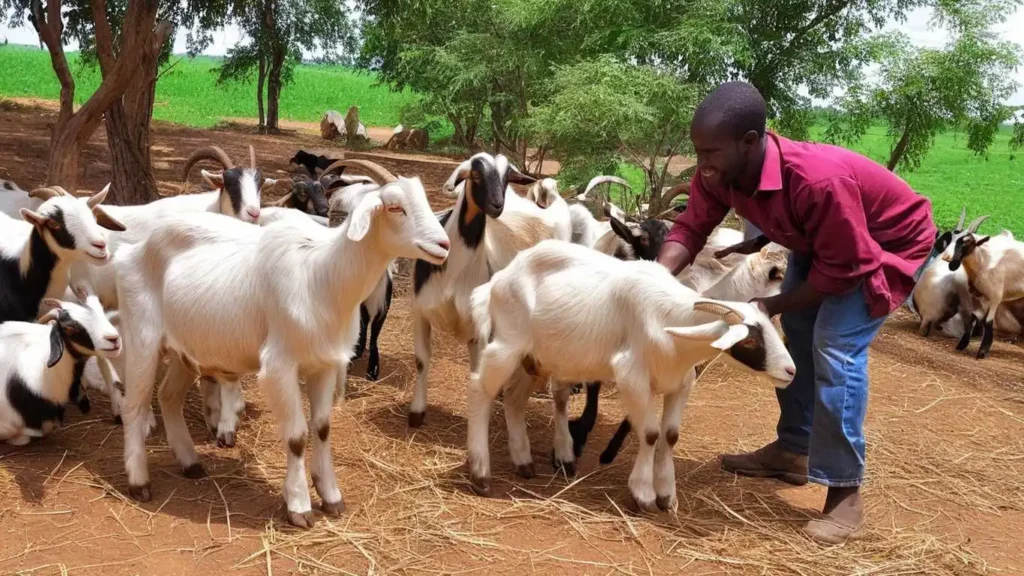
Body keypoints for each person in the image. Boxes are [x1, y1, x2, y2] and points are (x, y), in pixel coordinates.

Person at [658, 81, 936, 544]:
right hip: (823, 241)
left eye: (711, 153)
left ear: (750, 142)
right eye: (698, 152)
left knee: (835, 348)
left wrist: (770, 304)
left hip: (881, 245)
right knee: (801, 330)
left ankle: (845, 494)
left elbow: (845, 269)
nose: (702, 165)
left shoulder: (815, 180)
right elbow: (690, 227)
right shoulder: (721, 172)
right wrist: (651, 279)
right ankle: (794, 450)